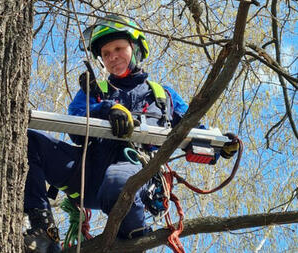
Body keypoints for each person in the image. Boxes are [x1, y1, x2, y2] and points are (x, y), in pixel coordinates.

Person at [23, 15, 239, 253]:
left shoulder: (162, 96)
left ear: (136, 48)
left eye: (118, 48)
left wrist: (219, 146)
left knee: (117, 183)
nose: (112, 56)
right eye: (106, 53)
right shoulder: (96, 90)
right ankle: (41, 230)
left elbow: (193, 131)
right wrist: (106, 109)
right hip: (89, 169)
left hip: (135, 170)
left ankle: (134, 235)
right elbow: (75, 124)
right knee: (28, 141)